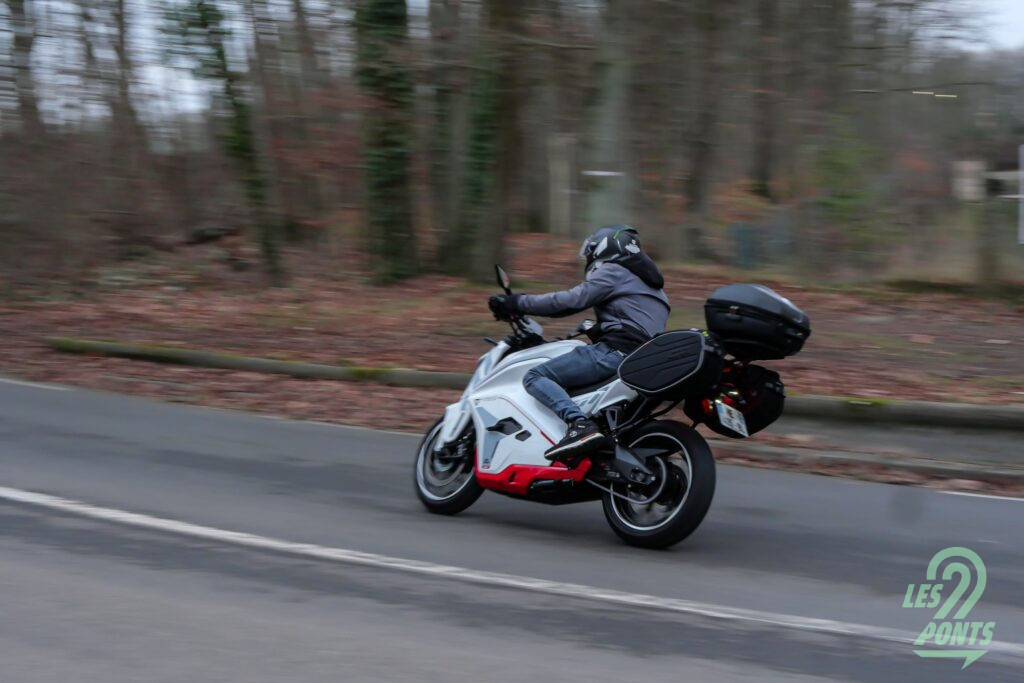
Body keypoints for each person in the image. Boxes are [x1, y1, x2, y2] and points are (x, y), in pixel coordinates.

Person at [489, 225, 670, 462]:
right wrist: (597, 329)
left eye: (590, 252)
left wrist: (517, 303)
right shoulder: (653, 288)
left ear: (603, 248)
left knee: (535, 376)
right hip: (640, 359)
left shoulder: (615, 270)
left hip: (616, 352)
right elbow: (634, 321)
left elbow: (571, 301)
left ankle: (579, 424)